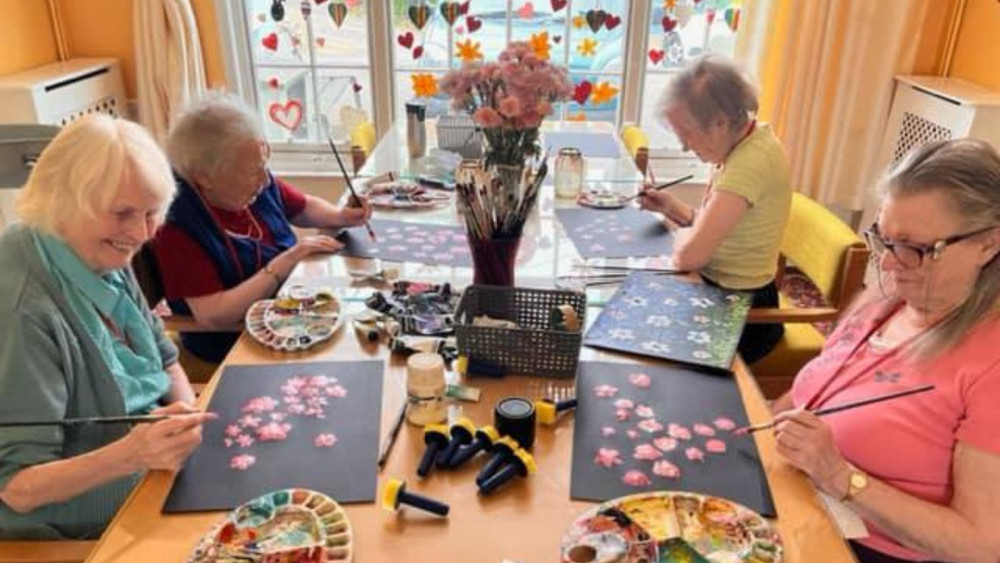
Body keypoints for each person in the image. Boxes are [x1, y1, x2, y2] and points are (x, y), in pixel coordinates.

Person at [770, 139, 1000, 562]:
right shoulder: (891, 292)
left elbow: (983, 544)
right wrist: (766, 422)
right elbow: (818, 384)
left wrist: (840, 476)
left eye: (915, 249)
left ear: (988, 244)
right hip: (794, 499)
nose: (891, 265)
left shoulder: (990, 363)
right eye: (885, 239)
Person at [0, 115, 214, 539]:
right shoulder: (23, 309)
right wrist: (134, 453)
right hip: (76, 529)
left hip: (153, 473)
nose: (140, 233)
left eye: (152, 213)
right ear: (65, 200)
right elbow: (17, 489)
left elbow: (168, 362)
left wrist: (188, 417)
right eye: (122, 214)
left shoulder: (97, 249)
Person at [151, 93, 372, 363]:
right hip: (235, 344)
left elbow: (301, 207)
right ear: (204, 178)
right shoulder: (177, 226)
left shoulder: (252, 181)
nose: (265, 178)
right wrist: (287, 261)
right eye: (253, 170)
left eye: (264, 165)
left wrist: (342, 216)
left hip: (287, 317)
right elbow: (213, 315)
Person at [639, 55, 791, 364]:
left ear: (720, 123)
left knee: (645, 341)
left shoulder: (751, 163)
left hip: (744, 312)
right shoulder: (746, 142)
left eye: (687, 133)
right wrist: (673, 208)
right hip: (719, 290)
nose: (683, 146)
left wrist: (680, 237)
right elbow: (720, 229)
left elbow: (690, 256)